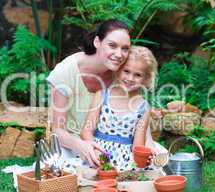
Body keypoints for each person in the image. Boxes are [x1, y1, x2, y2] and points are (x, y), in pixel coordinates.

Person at [47, 19, 131, 167]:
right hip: (71, 144)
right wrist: (82, 145)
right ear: (97, 42)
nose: (119, 54)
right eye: (112, 45)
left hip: (108, 142)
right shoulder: (65, 71)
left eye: (125, 48)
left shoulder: (122, 73)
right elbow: (57, 131)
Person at [81, 46, 166, 171]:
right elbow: (86, 132)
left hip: (125, 160)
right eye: (126, 71)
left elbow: (138, 145)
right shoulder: (102, 95)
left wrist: (145, 155)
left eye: (138, 75)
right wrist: (98, 154)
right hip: (97, 153)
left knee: (128, 180)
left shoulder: (143, 107)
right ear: (118, 69)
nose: (130, 78)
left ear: (146, 78)